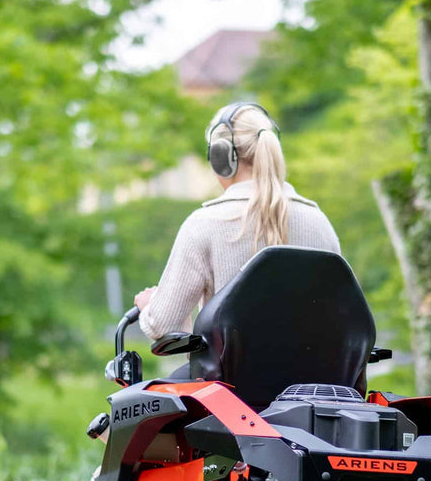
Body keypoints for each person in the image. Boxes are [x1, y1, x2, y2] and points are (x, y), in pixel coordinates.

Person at [135, 102, 342, 340]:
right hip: (316, 374)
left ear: (220, 159)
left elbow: (162, 325)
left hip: (229, 377)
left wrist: (151, 306)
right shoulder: (319, 223)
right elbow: (341, 315)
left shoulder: (204, 224)